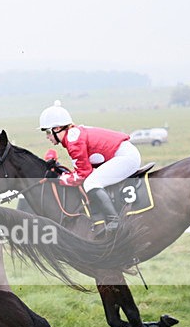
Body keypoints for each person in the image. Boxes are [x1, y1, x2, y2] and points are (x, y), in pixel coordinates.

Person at [39, 100, 141, 235]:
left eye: (47, 132)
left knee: (91, 182)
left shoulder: (73, 141)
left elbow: (83, 175)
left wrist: (59, 179)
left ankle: (114, 221)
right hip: (123, 154)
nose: (47, 137)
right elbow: (81, 169)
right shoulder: (72, 136)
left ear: (57, 128)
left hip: (125, 158)